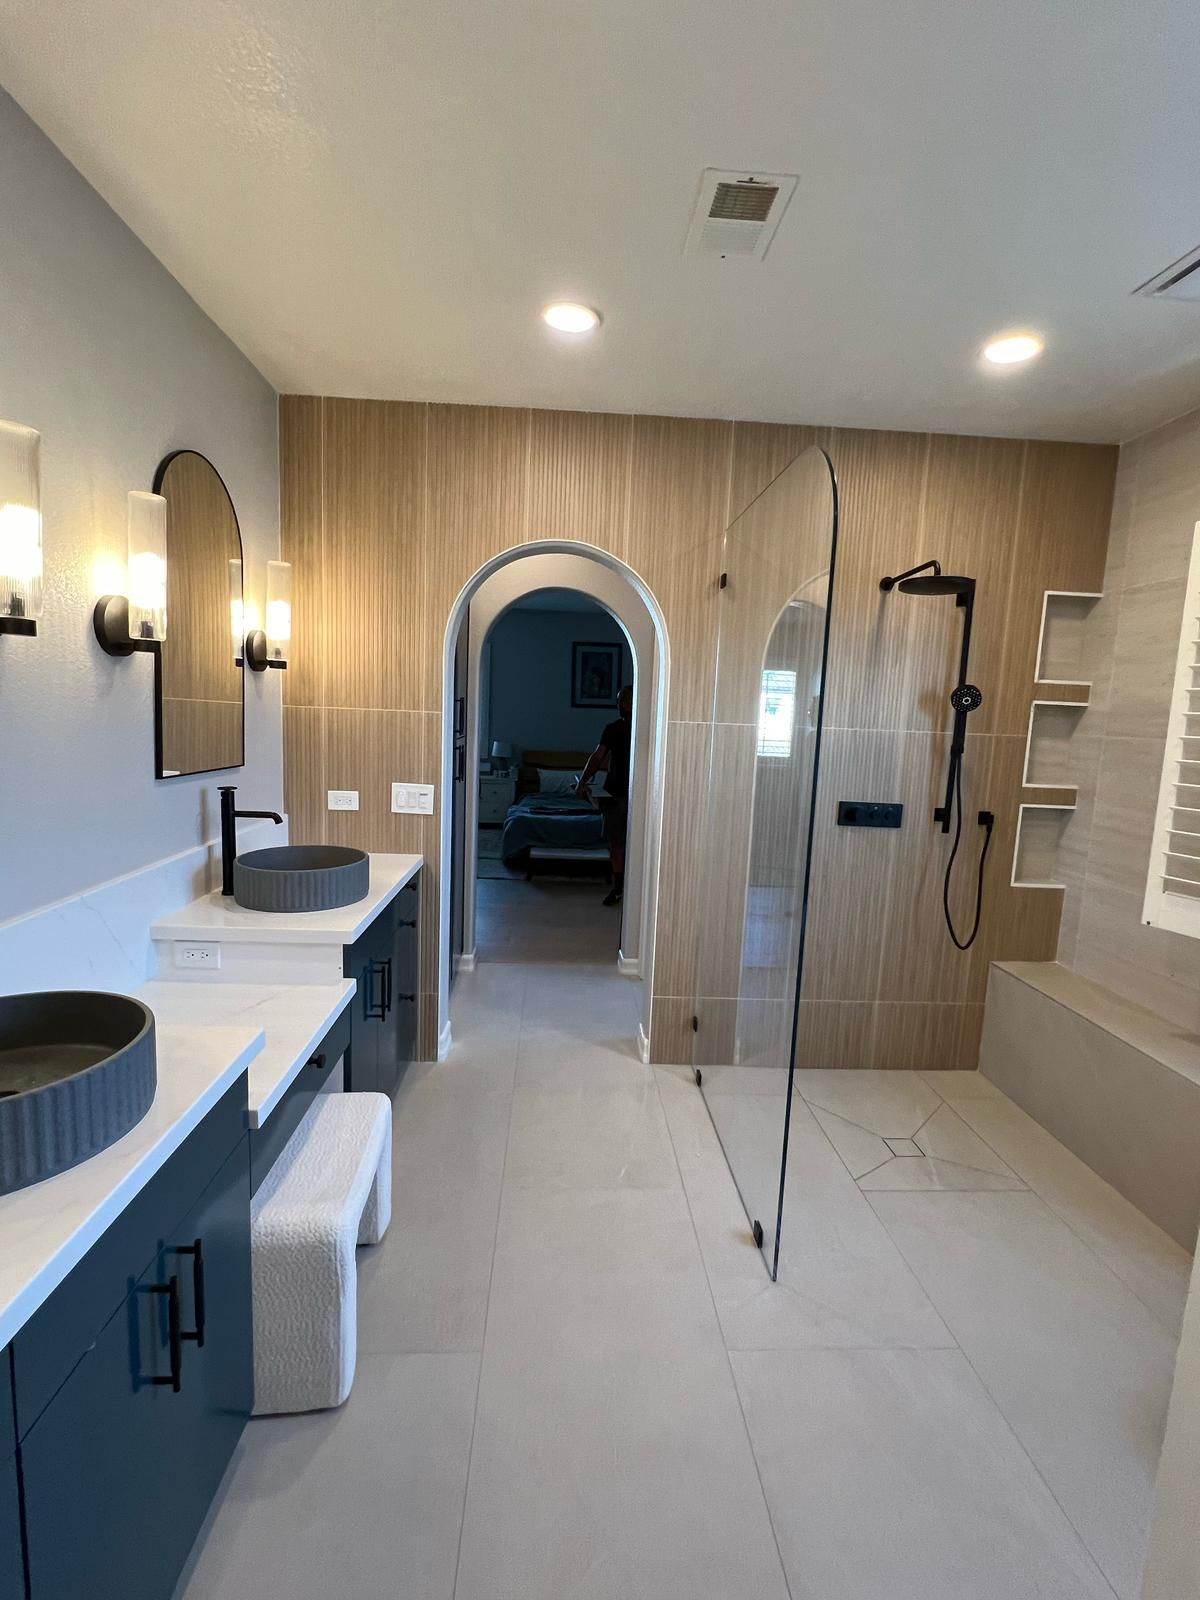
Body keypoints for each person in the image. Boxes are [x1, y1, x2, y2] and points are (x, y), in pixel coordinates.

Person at [577, 684, 632, 907]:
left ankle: (631, 889)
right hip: (614, 794)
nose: (618, 704)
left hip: (639, 795)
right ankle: (618, 888)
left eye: (623, 700)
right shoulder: (612, 729)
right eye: (618, 700)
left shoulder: (648, 727)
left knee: (629, 844)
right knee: (615, 843)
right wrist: (583, 781)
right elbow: (598, 757)